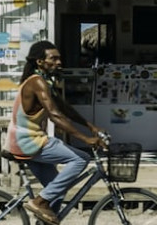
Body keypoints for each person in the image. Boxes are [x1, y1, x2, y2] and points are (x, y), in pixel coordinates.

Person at [6, 40, 105, 225]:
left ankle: (43, 205)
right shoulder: (36, 82)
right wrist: (85, 138)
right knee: (81, 159)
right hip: (29, 142)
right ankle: (38, 202)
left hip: (25, 142)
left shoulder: (44, 81)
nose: (59, 62)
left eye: (59, 58)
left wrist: (90, 125)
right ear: (40, 62)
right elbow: (55, 115)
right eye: (54, 58)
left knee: (56, 192)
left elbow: (64, 108)